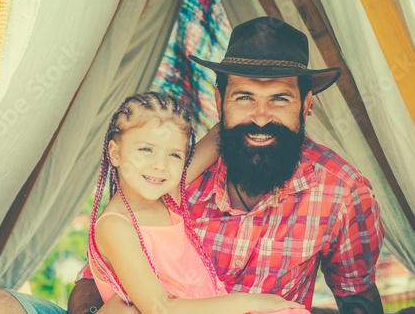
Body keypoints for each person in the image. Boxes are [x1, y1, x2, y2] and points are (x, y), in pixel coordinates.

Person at [70, 17, 384, 314]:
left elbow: (357, 295)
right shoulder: (169, 180)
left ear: (307, 105)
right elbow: (95, 276)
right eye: (244, 98)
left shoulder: (343, 192)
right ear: (219, 102)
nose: (261, 117)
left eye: (279, 99)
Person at [86, 91, 307, 314]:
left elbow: (217, 136)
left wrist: (257, 106)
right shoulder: (116, 225)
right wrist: (251, 301)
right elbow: (160, 308)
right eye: (146, 149)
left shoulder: (167, 198)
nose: (160, 165)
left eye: (174, 155)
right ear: (115, 153)